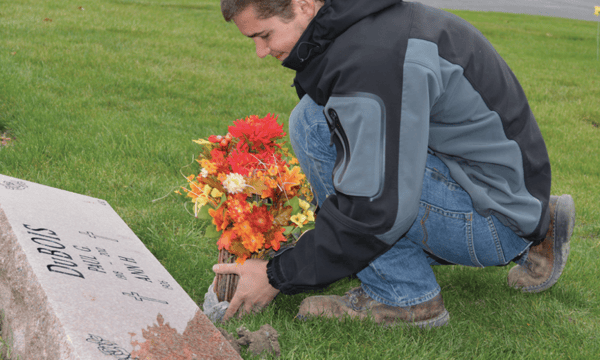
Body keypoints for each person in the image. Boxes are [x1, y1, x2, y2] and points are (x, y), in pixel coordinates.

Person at [212, 0, 576, 327]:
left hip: (491, 220)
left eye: (264, 35)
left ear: (304, 5)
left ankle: (403, 297)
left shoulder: (370, 59)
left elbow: (374, 212)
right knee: (318, 119)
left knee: (313, 126)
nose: (261, 51)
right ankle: (538, 229)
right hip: (511, 193)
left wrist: (277, 274)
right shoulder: (367, 23)